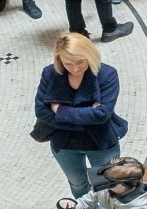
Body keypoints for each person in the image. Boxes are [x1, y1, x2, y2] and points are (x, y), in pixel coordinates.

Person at [37, 32, 128, 198]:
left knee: (107, 186)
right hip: (64, 145)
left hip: (101, 143)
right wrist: (88, 114)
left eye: (80, 62)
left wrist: (59, 110)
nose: (75, 69)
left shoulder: (107, 74)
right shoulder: (50, 74)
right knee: (77, 184)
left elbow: (101, 115)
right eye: (68, 64)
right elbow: (41, 112)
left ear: (90, 55)